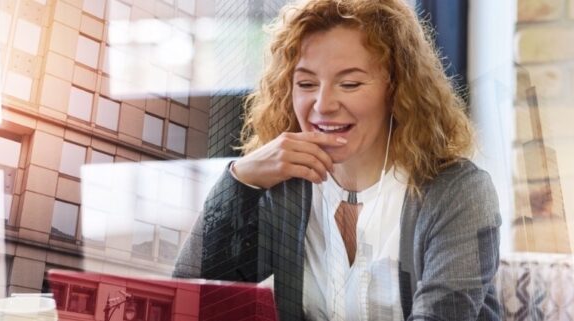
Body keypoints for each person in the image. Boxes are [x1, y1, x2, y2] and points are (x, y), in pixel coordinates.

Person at [174, 0, 502, 320]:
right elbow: (190, 301)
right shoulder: (284, 191)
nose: (323, 104)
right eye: (305, 84)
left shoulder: (459, 192)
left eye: (349, 84)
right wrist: (241, 180)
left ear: (398, 88)